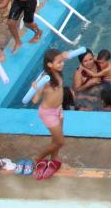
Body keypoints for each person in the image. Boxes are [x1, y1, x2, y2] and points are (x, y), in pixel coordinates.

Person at [30, 49, 66, 180]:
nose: (62, 64)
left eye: (62, 61)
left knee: (56, 140)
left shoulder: (58, 72)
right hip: (48, 113)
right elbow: (34, 101)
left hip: (59, 110)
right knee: (60, 142)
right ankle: (37, 158)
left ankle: (53, 161)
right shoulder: (44, 80)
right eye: (59, 62)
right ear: (50, 64)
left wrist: (65, 55)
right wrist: (35, 88)